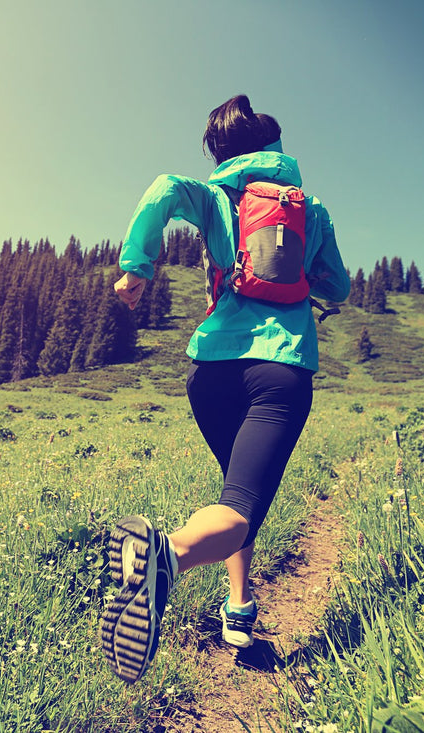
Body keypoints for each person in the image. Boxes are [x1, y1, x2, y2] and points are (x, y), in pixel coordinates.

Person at [99, 94, 350, 684]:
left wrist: (138, 264)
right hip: (278, 374)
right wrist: (305, 280)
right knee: (240, 507)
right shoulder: (311, 210)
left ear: (223, 152)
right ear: (277, 149)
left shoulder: (214, 196)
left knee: (235, 496)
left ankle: (239, 610)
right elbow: (337, 287)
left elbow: (162, 187)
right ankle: (168, 556)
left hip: (208, 375)